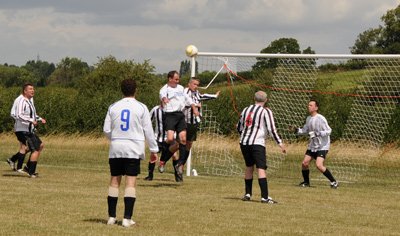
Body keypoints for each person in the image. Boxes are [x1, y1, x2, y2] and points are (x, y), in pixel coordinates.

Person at [103, 78, 158, 227]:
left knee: (114, 180)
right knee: (130, 182)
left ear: (122, 90)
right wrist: (154, 149)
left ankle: (111, 217)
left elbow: (106, 130)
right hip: (133, 149)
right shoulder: (141, 107)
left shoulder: (113, 106)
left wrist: (115, 138)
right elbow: (148, 130)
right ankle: (127, 219)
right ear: (136, 90)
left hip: (116, 148)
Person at [237, 91, 286, 204]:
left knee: (249, 167)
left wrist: (244, 136)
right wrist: (280, 143)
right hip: (257, 143)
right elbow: (271, 129)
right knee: (261, 168)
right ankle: (265, 197)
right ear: (266, 100)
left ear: (254, 98)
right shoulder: (265, 111)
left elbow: (239, 127)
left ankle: (247, 194)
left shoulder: (245, 109)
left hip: (244, 142)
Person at [159, 70, 199, 181]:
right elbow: (162, 95)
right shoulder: (165, 89)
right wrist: (164, 99)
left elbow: (188, 99)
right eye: (176, 79)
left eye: (178, 79)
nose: (178, 81)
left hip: (180, 115)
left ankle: (179, 165)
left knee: (183, 140)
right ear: (170, 79)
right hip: (170, 115)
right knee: (170, 138)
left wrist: (194, 108)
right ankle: (162, 161)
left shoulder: (181, 88)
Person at [293, 99, 338, 188]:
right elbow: (305, 130)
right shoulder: (308, 118)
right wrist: (297, 130)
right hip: (313, 145)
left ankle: (333, 182)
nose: (308, 107)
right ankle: (306, 182)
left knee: (319, 165)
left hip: (322, 146)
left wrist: (318, 133)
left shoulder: (321, 118)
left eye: (311, 105)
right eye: (308, 105)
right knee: (304, 163)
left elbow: (329, 131)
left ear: (316, 108)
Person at [7, 83, 46, 177]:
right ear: (25, 91)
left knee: (40, 145)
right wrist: (31, 121)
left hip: (28, 129)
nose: (33, 90)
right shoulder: (21, 101)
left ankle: (27, 167)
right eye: (30, 89)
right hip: (23, 130)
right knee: (34, 149)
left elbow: (32, 115)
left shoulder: (29, 101)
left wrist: (40, 119)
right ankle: (31, 172)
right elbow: (19, 115)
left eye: (33, 89)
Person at [182, 77, 220, 167]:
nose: (196, 86)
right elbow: (185, 101)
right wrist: (196, 104)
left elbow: (202, 97)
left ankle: (181, 164)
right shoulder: (185, 91)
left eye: (197, 85)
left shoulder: (196, 93)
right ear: (189, 84)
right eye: (194, 84)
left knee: (189, 144)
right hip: (184, 121)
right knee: (180, 142)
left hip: (194, 122)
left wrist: (214, 96)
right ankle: (170, 159)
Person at [144, 103, 179, 181]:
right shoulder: (155, 110)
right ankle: (150, 176)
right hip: (158, 138)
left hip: (170, 138)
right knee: (153, 155)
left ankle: (178, 176)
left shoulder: (174, 110)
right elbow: (148, 122)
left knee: (174, 155)